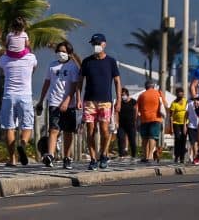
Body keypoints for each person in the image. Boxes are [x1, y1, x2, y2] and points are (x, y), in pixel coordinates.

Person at [78, 33, 122, 171]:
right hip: (89, 100)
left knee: (104, 129)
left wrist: (119, 100)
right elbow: (80, 81)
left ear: (104, 44)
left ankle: (103, 154)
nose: (96, 46)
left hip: (105, 101)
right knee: (90, 130)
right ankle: (93, 158)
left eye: (98, 44)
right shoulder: (87, 62)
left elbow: (117, 81)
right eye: (94, 44)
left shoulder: (111, 62)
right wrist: (78, 98)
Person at [35, 41, 81, 169]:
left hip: (68, 104)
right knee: (53, 129)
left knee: (67, 132)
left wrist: (68, 101)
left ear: (69, 53)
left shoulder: (73, 67)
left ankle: (67, 157)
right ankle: (50, 155)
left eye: (64, 51)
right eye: (59, 51)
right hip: (54, 102)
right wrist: (41, 100)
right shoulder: (52, 66)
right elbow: (47, 83)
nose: (61, 53)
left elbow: (74, 86)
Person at [0, 44, 37, 167]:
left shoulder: (4, 58)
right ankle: (23, 144)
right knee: (27, 125)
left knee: (9, 127)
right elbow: (33, 70)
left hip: (9, 95)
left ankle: (12, 159)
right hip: (25, 95)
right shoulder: (31, 57)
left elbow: (2, 72)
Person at [136, 80, 165, 163]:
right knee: (152, 137)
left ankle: (144, 156)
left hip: (144, 119)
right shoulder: (158, 93)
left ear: (146, 87)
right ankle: (150, 156)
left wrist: (136, 121)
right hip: (156, 118)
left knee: (145, 138)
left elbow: (136, 108)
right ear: (153, 86)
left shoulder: (142, 95)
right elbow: (164, 105)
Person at [116, 88, 137, 160]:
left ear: (127, 95)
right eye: (121, 95)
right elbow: (116, 112)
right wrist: (116, 122)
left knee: (132, 140)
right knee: (120, 138)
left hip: (131, 124)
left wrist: (135, 120)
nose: (122, 96)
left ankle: (133, 155)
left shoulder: (133, 101)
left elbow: (136, 110)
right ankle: (121, 155)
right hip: (121, 124)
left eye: (123, 95)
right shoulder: (119, 102)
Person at [169, 87, 188, 164]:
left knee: (183, 140)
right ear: (176, 94)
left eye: (181, 92)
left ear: (183, 93)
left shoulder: (186, 102)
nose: (180, 94)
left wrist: (185, 125)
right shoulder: (174, 103)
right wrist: (171, 127)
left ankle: (182, 157)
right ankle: (176, 155)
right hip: (176, 123)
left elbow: (188, 113)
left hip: (185, 123)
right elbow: (171, 116)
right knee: (177, 139)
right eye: (178, 92)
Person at [187, 98, 199, 164]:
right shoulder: (189, 102)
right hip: (191, 125)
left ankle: (196, 156)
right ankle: (194, 157)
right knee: (193, 142)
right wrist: (185, 124)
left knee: (198, 143)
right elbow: (186, 113)